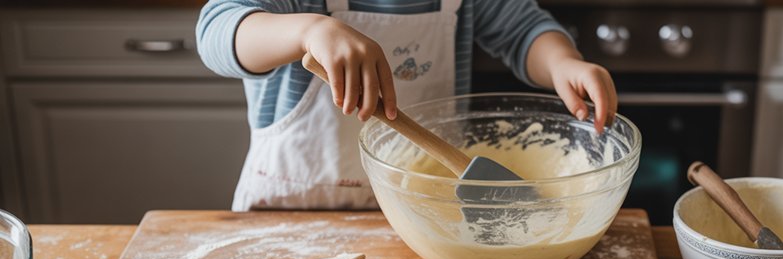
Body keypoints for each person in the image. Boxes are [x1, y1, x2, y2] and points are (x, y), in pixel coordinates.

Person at [197, 0, 618, 211]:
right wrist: (307, 30)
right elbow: (217, 31)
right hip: (288, 218)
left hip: (422, 215)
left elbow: (523, 29)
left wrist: (562, 62)